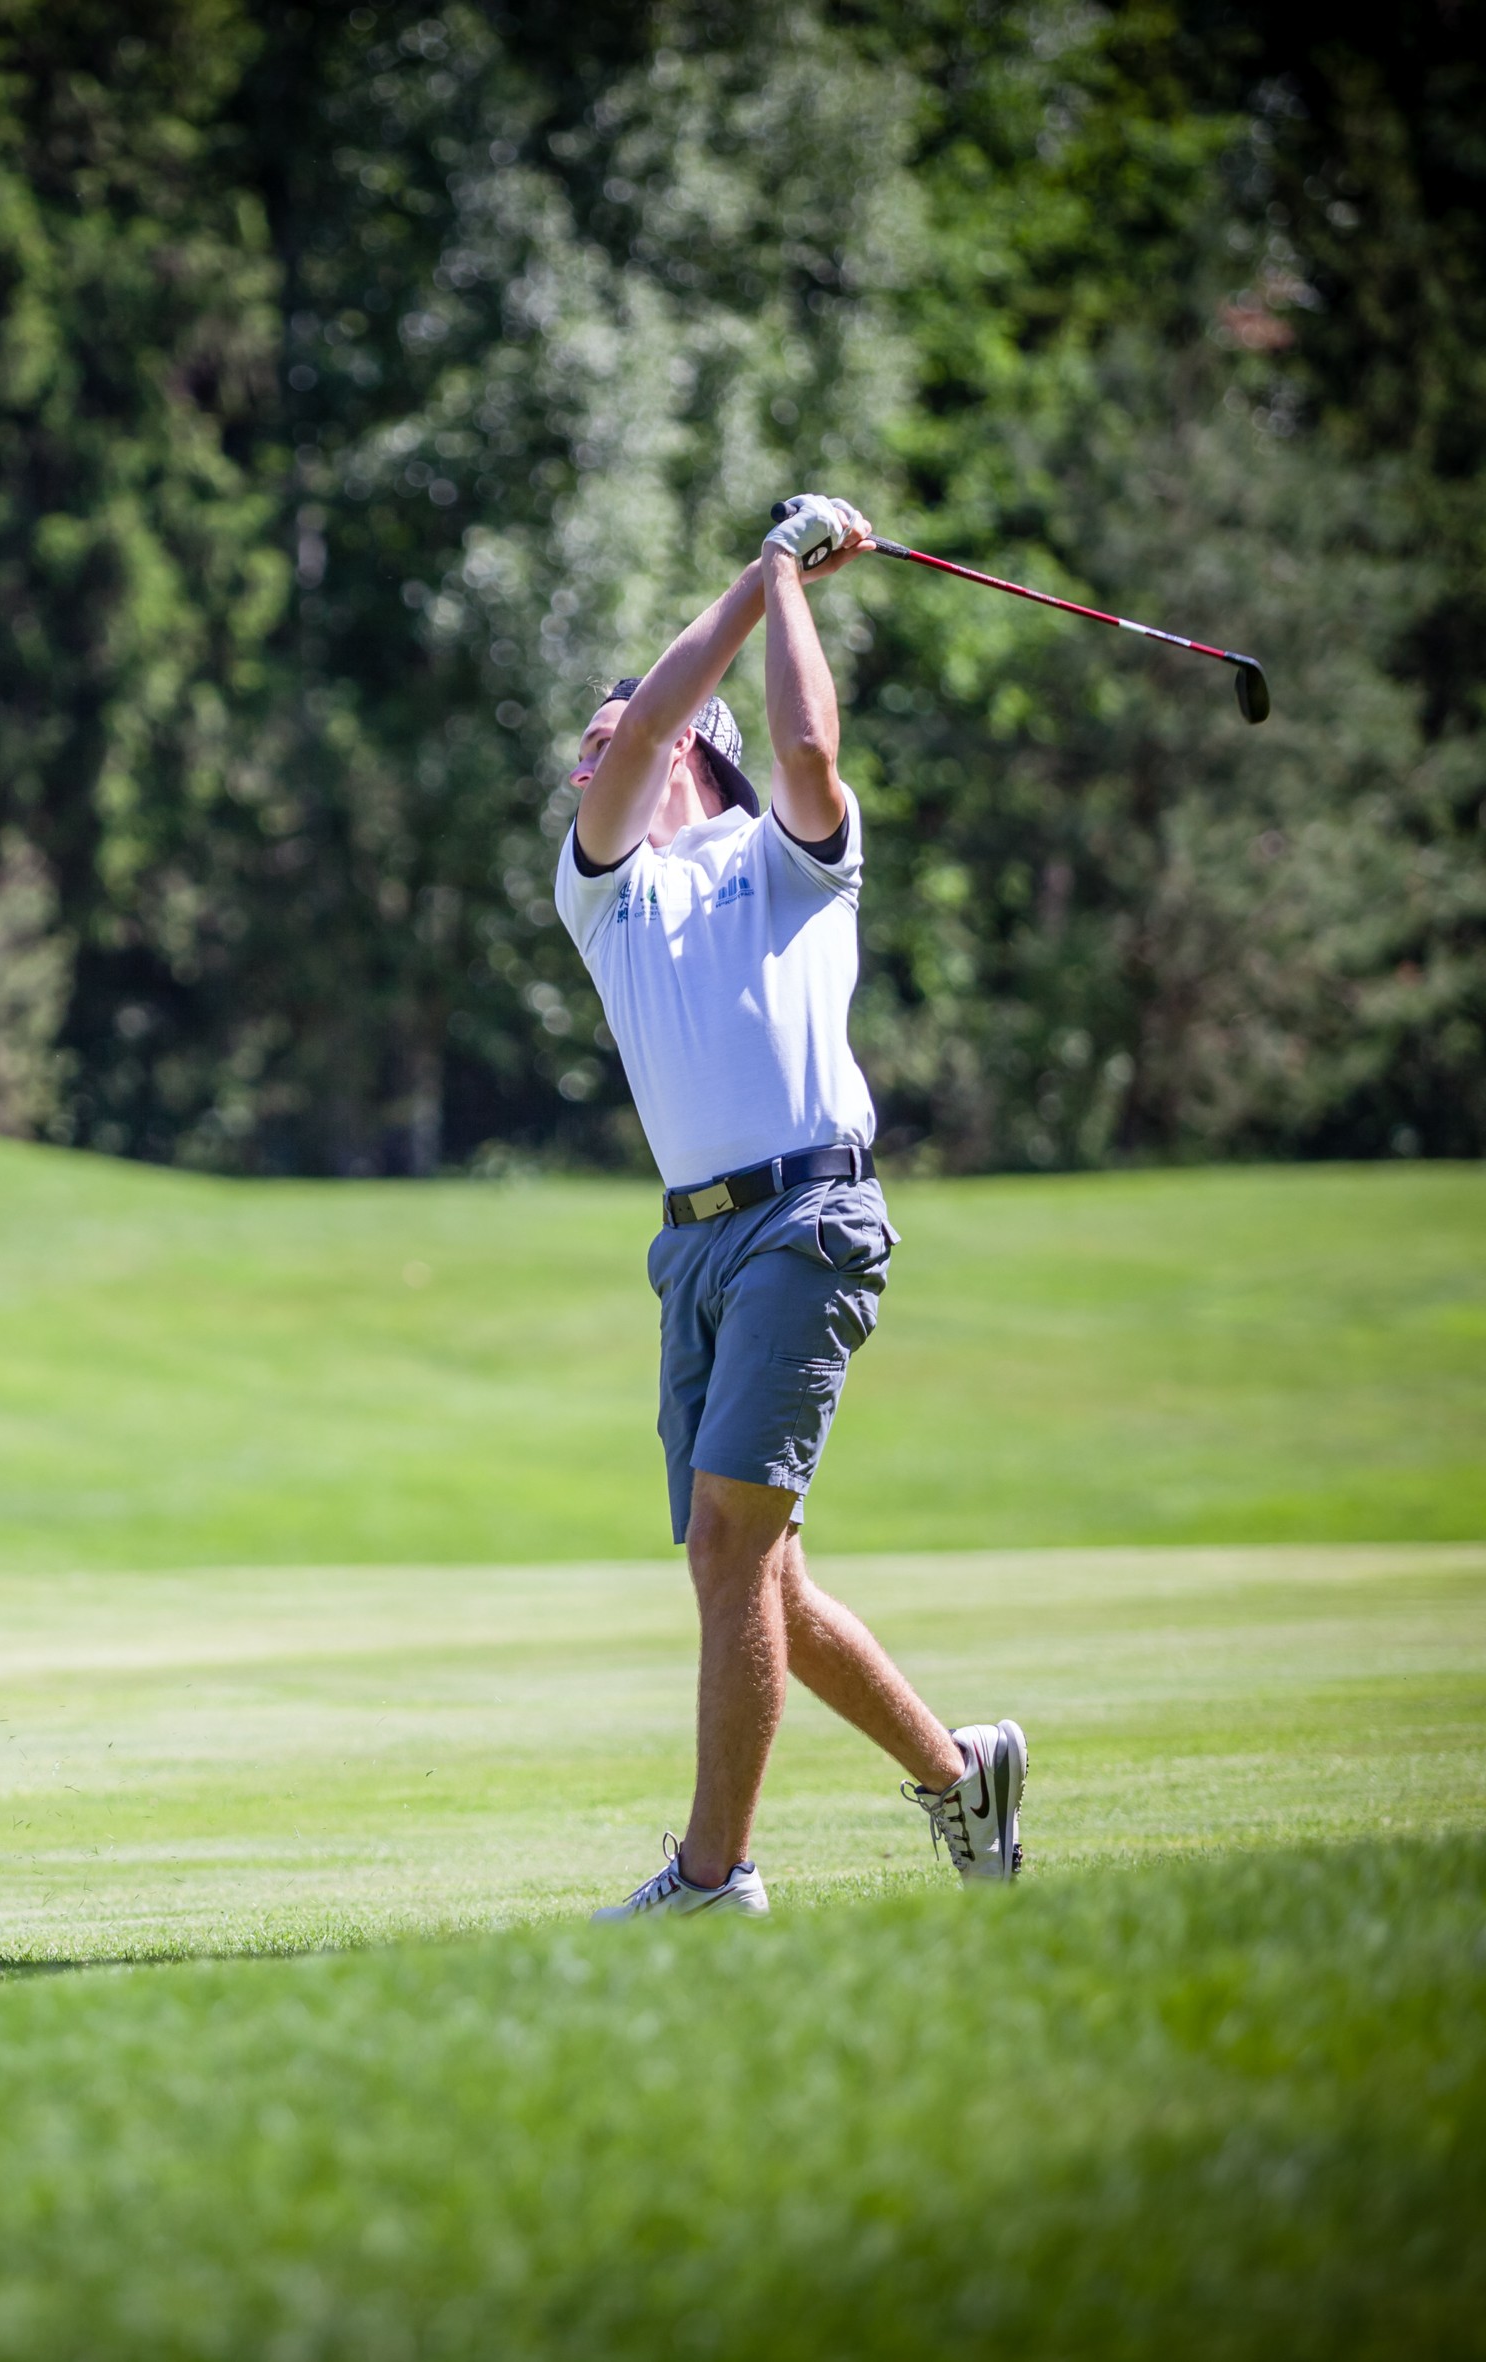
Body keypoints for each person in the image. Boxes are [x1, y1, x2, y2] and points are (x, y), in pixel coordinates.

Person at [557, 494, 1024, 1920]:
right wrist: (767, 573)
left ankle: (712, 1877)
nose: (589, 754)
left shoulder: (792, 863)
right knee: (763, 1582)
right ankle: (962, 1775)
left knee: (723, 1552)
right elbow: (641, 733)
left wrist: (779, 580)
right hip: (688, 1251)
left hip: (805, 1223)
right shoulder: (601, 888)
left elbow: (804, 747)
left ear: (703, 753)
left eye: (605, 731)